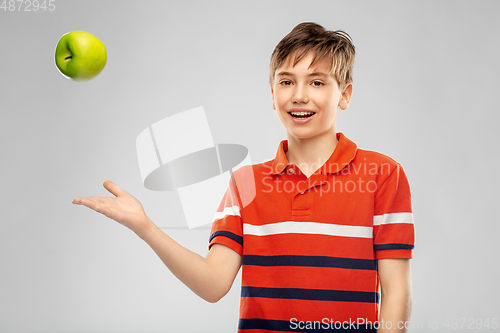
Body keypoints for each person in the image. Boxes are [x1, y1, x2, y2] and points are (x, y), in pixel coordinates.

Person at [73, 22, 414, 332]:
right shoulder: (246, 183)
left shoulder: (383, 174)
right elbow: (213, 283)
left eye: (317, 82)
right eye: (286, 81)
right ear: (272, 95)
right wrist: (145, 226)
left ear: (345, 95)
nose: (299, 95)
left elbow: (396, 292)